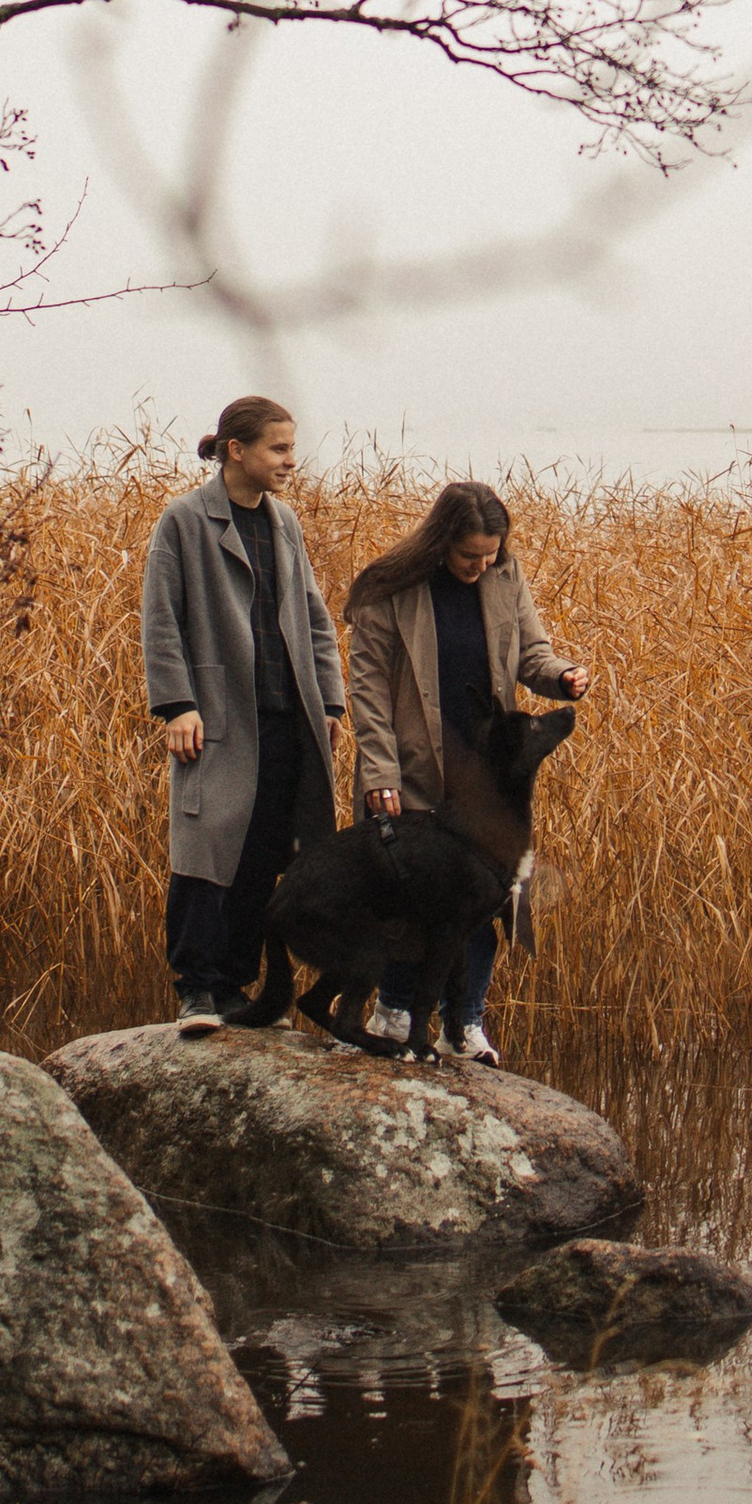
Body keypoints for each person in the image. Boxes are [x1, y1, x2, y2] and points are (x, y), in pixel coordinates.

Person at [346, 482, 589, 1064]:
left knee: (487, 898)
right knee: (411, 898)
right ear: (439, 542)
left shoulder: (505, 576)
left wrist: (560, 676)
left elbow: (531, 653)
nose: (481, 566)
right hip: (412, 768)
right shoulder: (389, 587)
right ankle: (395, 1010)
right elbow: (368, 686)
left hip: (486, 778)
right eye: (469, 556)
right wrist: (380, 769)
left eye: (491, 555)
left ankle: (466, 1024)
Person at [142, 396, 348, 1034]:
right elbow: (161, 618)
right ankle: (200, 992)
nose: (291, 459)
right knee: (208, 851)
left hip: (288, 716)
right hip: (219, 717)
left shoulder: (284, 522)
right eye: (278, 448)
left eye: (291, 447)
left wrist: (332, 700)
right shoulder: (184, 520)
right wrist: (177, 704)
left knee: (266, 854)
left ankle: (238, 989)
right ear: (237, 450)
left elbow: (313, 616)